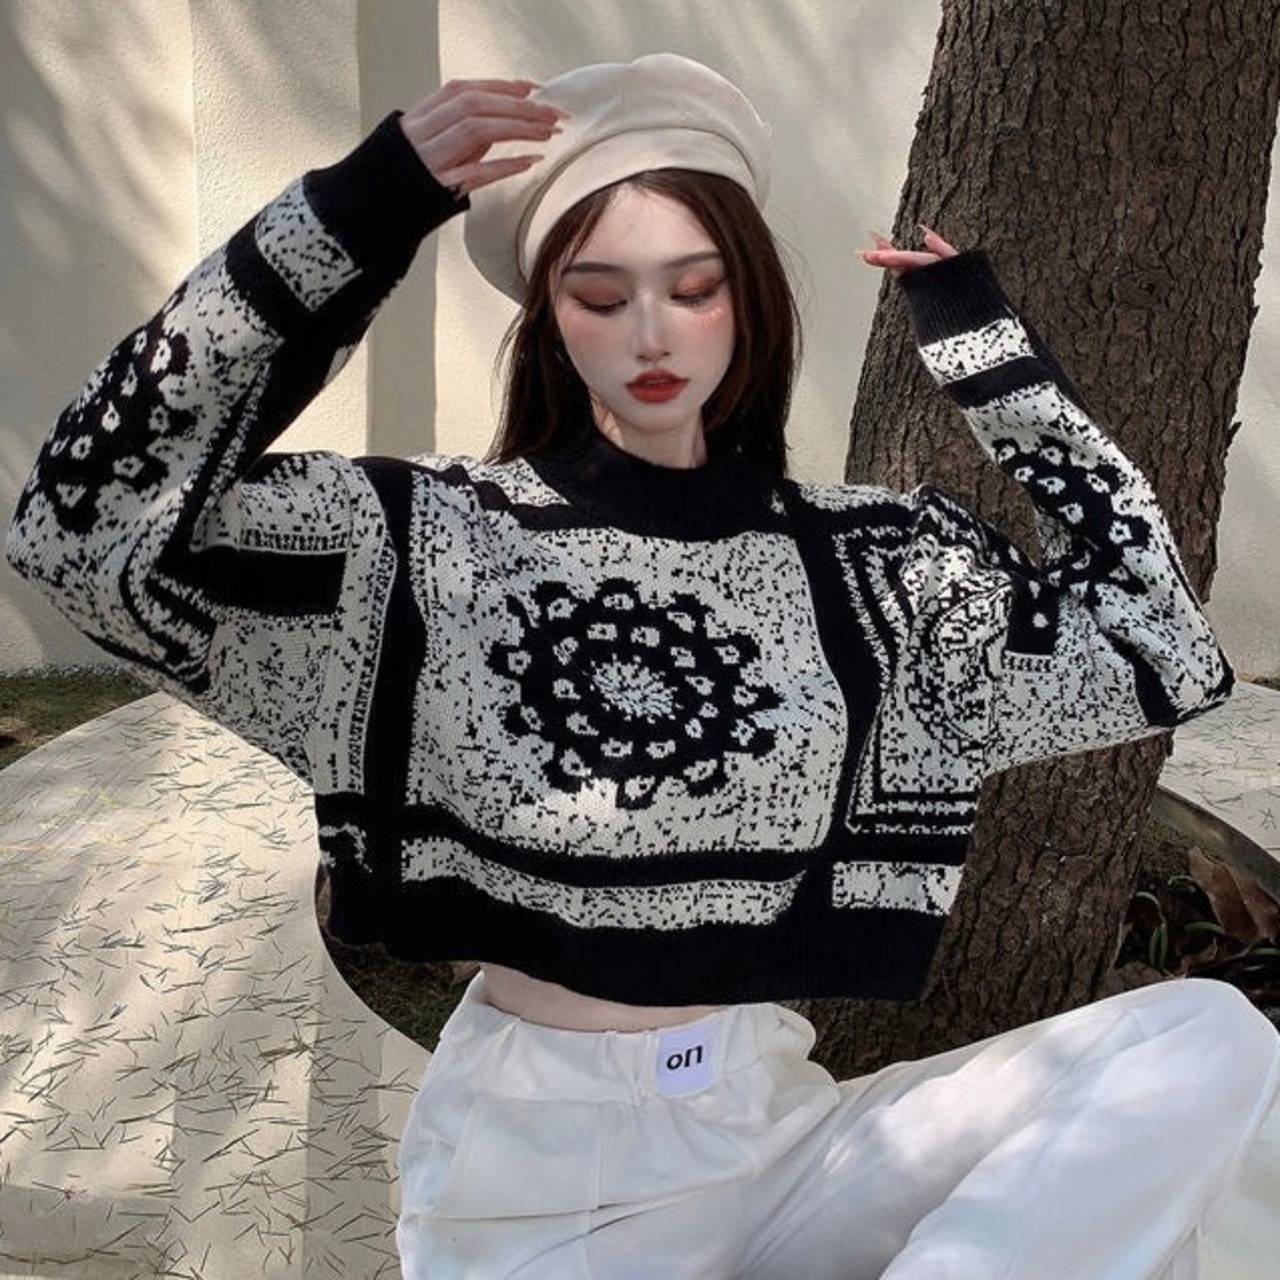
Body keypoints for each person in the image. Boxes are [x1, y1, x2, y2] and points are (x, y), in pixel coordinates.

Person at [7, 51, 1278, 1279]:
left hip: (772, 1131)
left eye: (695, 287)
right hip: (537, 1185)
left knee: (1201, 1037)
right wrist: (351, 218)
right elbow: (77, 526)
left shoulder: (871, 566)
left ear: (748, 300)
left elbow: (1160, 646)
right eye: (601, 297)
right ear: (550, 323)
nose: (653, 331)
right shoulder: (420, 544)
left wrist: (993, 367)